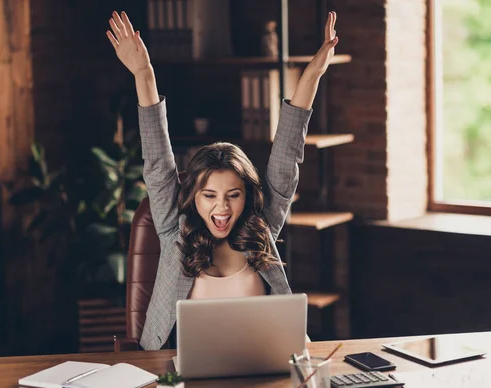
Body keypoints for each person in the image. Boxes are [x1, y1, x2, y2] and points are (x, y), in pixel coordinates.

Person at [107, 10, 339, 350]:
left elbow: (288, 153)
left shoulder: (262, 226)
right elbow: (157, 161)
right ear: (193, 197)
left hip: (262, 368)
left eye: (233, 195)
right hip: (180, 374)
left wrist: (313, 75)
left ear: (247, 195)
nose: (222, 208)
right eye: (209, 195)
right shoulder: (175, 230)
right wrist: (143, 73)